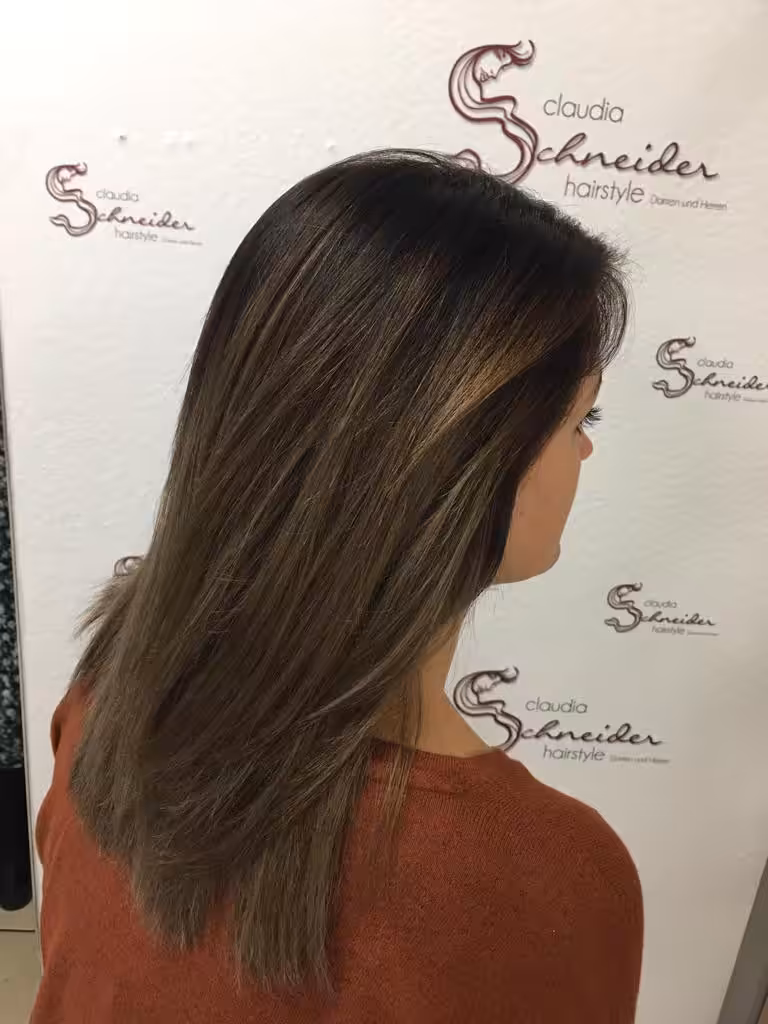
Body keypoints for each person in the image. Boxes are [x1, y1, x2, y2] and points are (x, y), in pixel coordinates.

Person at [32, 149, 642, 1023]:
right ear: (462, 459)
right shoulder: (544, 879)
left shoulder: (104, 702)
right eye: (581, 417)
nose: (585, 450)